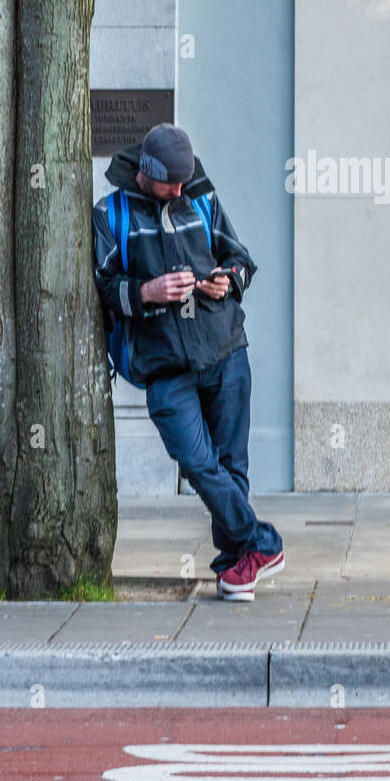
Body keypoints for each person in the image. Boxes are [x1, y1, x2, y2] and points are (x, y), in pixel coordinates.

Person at [92, 123, 284, 602]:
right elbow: (101, 288)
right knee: (198, 463)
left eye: (185, 181)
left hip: (224, 349)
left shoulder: (200, 196)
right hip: (163, 367)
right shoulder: (110, 214)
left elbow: (239, 258)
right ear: (146, 174)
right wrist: (146, 292)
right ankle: (263, 543)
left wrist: (227, 280)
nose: (180, 191)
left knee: (231, 467)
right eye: (171, 185)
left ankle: (236, 567)